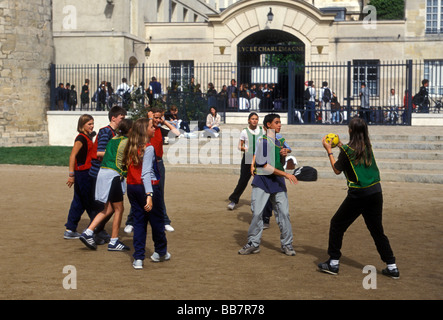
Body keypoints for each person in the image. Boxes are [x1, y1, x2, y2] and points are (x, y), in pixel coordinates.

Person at [318, 117, 399, 279]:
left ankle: (333, 262)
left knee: (337, 224)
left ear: (350, 131)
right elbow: (351, 152)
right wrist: (340, 144)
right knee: (377, 231)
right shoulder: (367, 146)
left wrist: (329, 150)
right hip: (376, 192)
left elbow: (336, 170)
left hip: (359, 194)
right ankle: (392, 266)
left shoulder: (347, 151)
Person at [238, 113, 298, 256]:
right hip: (263, 181)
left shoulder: (281, 141)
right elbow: (264, 166)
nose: (279, 124)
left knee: (284, 213)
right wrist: (286, 174)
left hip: (277, 182)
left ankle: (287, 244)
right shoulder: (263, 142)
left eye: (280, 122)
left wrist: (285, 154)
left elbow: (282, 162)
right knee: (257, 213)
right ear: (268, 125)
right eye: (276, 122)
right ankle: (253, 243)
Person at [79, 118, 133, 251]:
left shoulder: (114, 138)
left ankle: (88, 232)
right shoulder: (127, 142)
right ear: (130, 130)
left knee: (108, 208)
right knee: (119, 209)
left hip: (103, 173)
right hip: (113, 175)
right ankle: (114, 241)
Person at [124, 118, 170, 269]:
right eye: (151, 126)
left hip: (132, 187)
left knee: (139, 222)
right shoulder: (148, 148)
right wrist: (149, 195)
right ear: (144, 130)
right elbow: (145, 174)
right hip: (147, 187)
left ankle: (138, 258)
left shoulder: (131, 146)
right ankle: (161, 251)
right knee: (156, 221)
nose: (154, 128)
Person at [89, 106, 127, 243]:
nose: (123, 121)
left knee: (110, 207)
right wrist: (118, 154)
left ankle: (96, 231)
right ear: (113, 118)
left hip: (111, 173)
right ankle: (92, 232)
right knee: (103, 206)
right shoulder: (106, 132)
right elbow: (99, 152)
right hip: (102, 172)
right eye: (121, 118)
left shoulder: (116, 134)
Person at [63, 114, 96, 239]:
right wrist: (71, 175)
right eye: (89, 124)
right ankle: (96, 229)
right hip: (83, 173)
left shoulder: (87, 137)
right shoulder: (81, 138)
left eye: (92, 123)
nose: (92, 126)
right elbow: (72, 156)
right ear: (82, 125)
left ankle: (70, 228)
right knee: (90, 202)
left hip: (85, 173)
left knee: (79, 201)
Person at [228, 113, 263, 210]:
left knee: (262, 180)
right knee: (243, 180)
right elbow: (239, 146)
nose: (254, 120)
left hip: (260, 157)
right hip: (248, 157)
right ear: (248, 120)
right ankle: (234, 200)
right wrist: (245, 149)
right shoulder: (244, 131)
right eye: (252, 119)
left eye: (256, 119)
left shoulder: (262, 130)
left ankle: (263, 201)